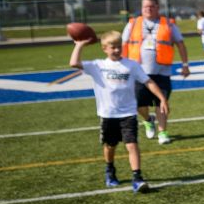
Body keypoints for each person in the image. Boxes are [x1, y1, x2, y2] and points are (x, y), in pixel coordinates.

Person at [69, 31, 168, 193]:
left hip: (128, 113)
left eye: (118, 46)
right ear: (104, 49)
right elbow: (74, 63)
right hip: (108, 114)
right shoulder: (97, 65)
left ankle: (137, 178)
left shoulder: (131, 65)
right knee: (110, 146)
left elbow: (148, 81)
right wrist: (79, 45)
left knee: (132, 145)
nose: (116, 50)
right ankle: (110, 169)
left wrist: (162, 99)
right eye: (112, 47)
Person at [122, 0, 190, 145]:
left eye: (152, 6)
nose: (148, 9)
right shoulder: (133, 24)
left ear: (158, 7)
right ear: (141, 8)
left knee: (161, 102)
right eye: (145, 6)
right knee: (139, 104)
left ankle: (163, 132)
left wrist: (185, 64)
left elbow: (180, 44)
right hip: (139, 72)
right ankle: (148, 120)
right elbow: (124, 45)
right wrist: (121, 65)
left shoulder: (169, 24)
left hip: (162, 71)